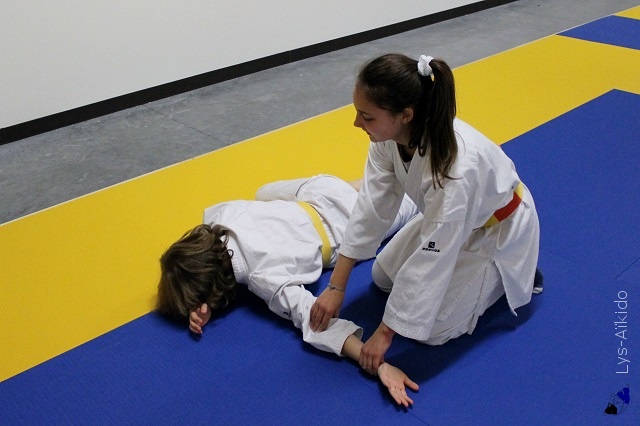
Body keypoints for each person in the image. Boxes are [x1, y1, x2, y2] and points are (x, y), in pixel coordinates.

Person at [309, 53, 542, 375]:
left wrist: (385, 333)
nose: (357, 123)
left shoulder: (455, 168)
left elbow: (434, 257)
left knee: (432, 331)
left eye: (366, 116)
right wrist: (336, 286)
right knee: (383, 277)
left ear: (405, 115)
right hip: (448, 221)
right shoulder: (387, 138)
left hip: (496, 228)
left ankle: (512, 274)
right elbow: (371, 209)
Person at [156, 174, 420, 406]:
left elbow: (315, 320)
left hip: (349, 227)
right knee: (263, 193)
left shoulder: (265, 278)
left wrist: (379, 365)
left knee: (416, 200)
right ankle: (359, 186)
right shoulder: (220, 216)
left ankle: (374, 193)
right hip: (320, 191)